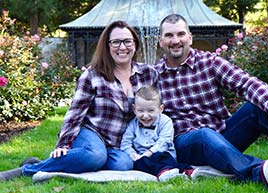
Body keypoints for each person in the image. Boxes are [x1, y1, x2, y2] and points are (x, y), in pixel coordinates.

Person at [154, 14, 268, 190]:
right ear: (160, 41)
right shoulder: (152, 76)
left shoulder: (209, 63)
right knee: (203, 134)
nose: (175, 40)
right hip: (185, 145)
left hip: (222, 137)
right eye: (169, 35)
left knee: (258, 108)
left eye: (180, 34)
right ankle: (258, 171)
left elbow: (248, 83)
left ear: (190, 38)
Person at [0, 20, 158, 181]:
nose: (122, 47)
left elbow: (157, 108)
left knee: (123, 165)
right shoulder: (93, 74)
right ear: (107, 46)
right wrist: (64, 144)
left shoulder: (148, 74)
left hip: (118, 143)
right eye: (116, 42)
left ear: (135, 44)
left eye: (127, 41)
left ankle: (63, 162)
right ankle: (26, 170)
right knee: (95, 155)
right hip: (91, 131)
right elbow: (75, 113)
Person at [120, 85, 202, 181]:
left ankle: (187, 171)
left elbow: (165, 141)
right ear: (134, 109)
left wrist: (149, 152)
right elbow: (125, 143)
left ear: (160, 109)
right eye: (140, 111)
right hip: (141, 158)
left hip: (162, 153)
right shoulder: (133, 124)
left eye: (151, 111)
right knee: (140, 163)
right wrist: (133, 155)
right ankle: (164, 172)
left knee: (162, 158)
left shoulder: (165, 121)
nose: (145, 116)